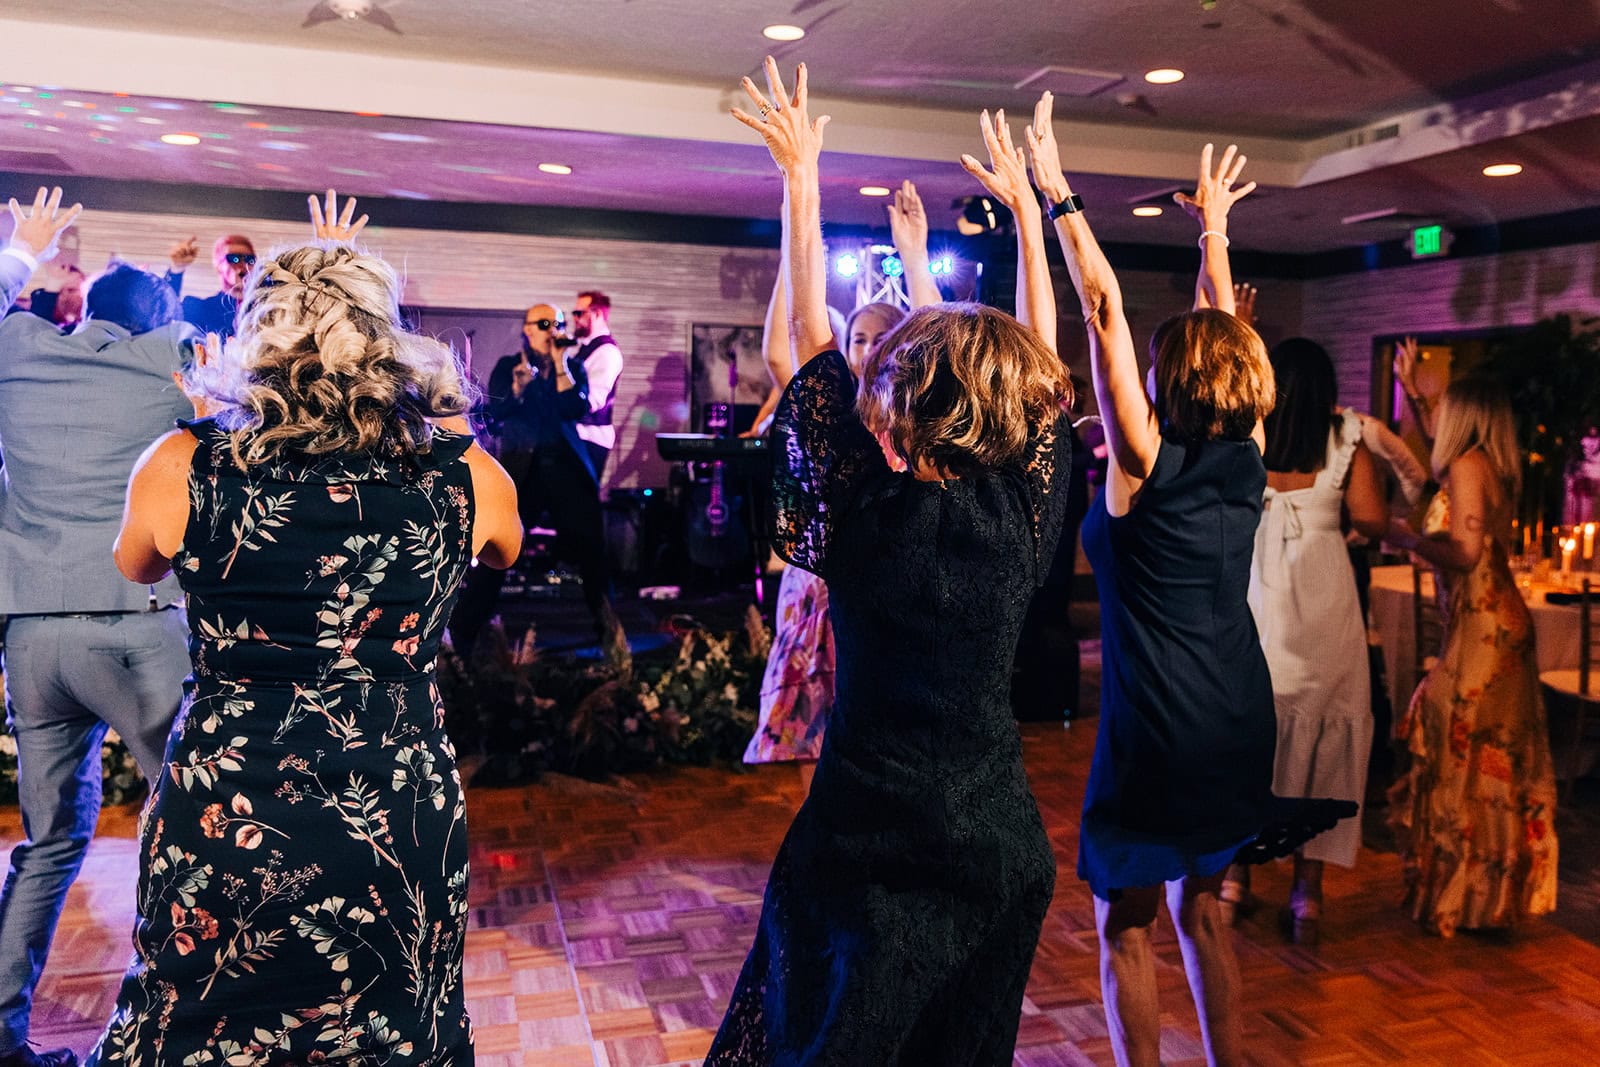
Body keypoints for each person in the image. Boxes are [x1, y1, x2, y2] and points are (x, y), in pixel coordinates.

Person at [89, 191, 521, 1064]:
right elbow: (504, 545)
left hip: (229, 804)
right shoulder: (464, 477)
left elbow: (135, 563)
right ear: (386, 343)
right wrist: (441, 406)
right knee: (392, 1021)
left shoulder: (181, 465)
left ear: (257, 339)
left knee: (201, 1019)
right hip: (393, 803)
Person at [708, 62, 1074, 1063]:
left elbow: (803, 346)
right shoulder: (1020, 514)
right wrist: (1029, 216)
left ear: (904, 403)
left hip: (865, 842)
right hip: (996, 845)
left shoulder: (863, 518)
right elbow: (1039, 361)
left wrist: (800, 177)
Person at [1035, 90, 1353, 1066]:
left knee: (1125, 922)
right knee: (1204, 907)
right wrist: (1213, 229)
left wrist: (1057, 194)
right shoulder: (1246, 449)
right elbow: (1225, 330)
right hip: (1234, 711)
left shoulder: (1141, 462)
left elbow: (1099, 307)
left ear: (1165, 381)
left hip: (1159, 722)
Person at [0, 187, 197, 1067]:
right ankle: (174, 1029)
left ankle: (2, 1035)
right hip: (137, 628)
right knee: (190, 825)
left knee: (47, 844)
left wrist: (22, 252)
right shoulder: (168, 358)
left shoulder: (18, 350)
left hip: (34, 638)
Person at [742, 181, 944, 783]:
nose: (868, 347)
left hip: (888, 588)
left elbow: (943, 352)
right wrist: (793, 238)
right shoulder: (830, 412)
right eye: (858, 338)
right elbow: (782, 353)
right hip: (818, 588)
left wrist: (915, 255)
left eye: (883, 338)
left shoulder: (915, 419)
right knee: (812, 731)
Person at [1383, 370, 1558, 938]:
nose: (1437, 419)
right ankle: (1480, 900)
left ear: (1463, 416)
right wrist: (1413, 394)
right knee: (1487, 760)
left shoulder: (1466, 464)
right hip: (1490, 622)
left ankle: (1467, 898)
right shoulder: (1489, 465)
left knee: (1463, 751)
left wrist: (1406, 537)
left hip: (1487, 626)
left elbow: (1463, 550)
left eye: (1444, 408)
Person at [1234, 337, 1389, 945]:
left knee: (1253, 738)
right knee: (1326, 744)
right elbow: (1372, 519)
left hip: (1257, 597)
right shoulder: (1347, 437)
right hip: (1324, 604)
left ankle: (1235, 879)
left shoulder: (1249, 433)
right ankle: (1308, 895)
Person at [445, 300, 627, 672]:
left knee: (592, 555)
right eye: (544, 323)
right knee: (495, 554)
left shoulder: (572, 366)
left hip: (567, 470)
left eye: (557, 323)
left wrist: (560, 364)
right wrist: (517, 389)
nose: (553, 329)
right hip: (521, 470)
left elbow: (576, 408)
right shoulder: (508, 366)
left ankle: (613, 642)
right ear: (527, 329)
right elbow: (494, 413)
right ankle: (460, 645)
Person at [568, 290, 624, 480]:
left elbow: (593, 400)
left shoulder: (607, 352)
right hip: (579, 436)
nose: (575, 318)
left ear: (597, 314)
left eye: (579, 313)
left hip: (590, 438)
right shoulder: (586, 348)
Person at [166, 232, 256, 339]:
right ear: (218, 265)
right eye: (234, 258)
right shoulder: (203, 309)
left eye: (249, 259)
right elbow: (164, 316)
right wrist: (177, 270)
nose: (243, 265)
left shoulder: (266, 307)